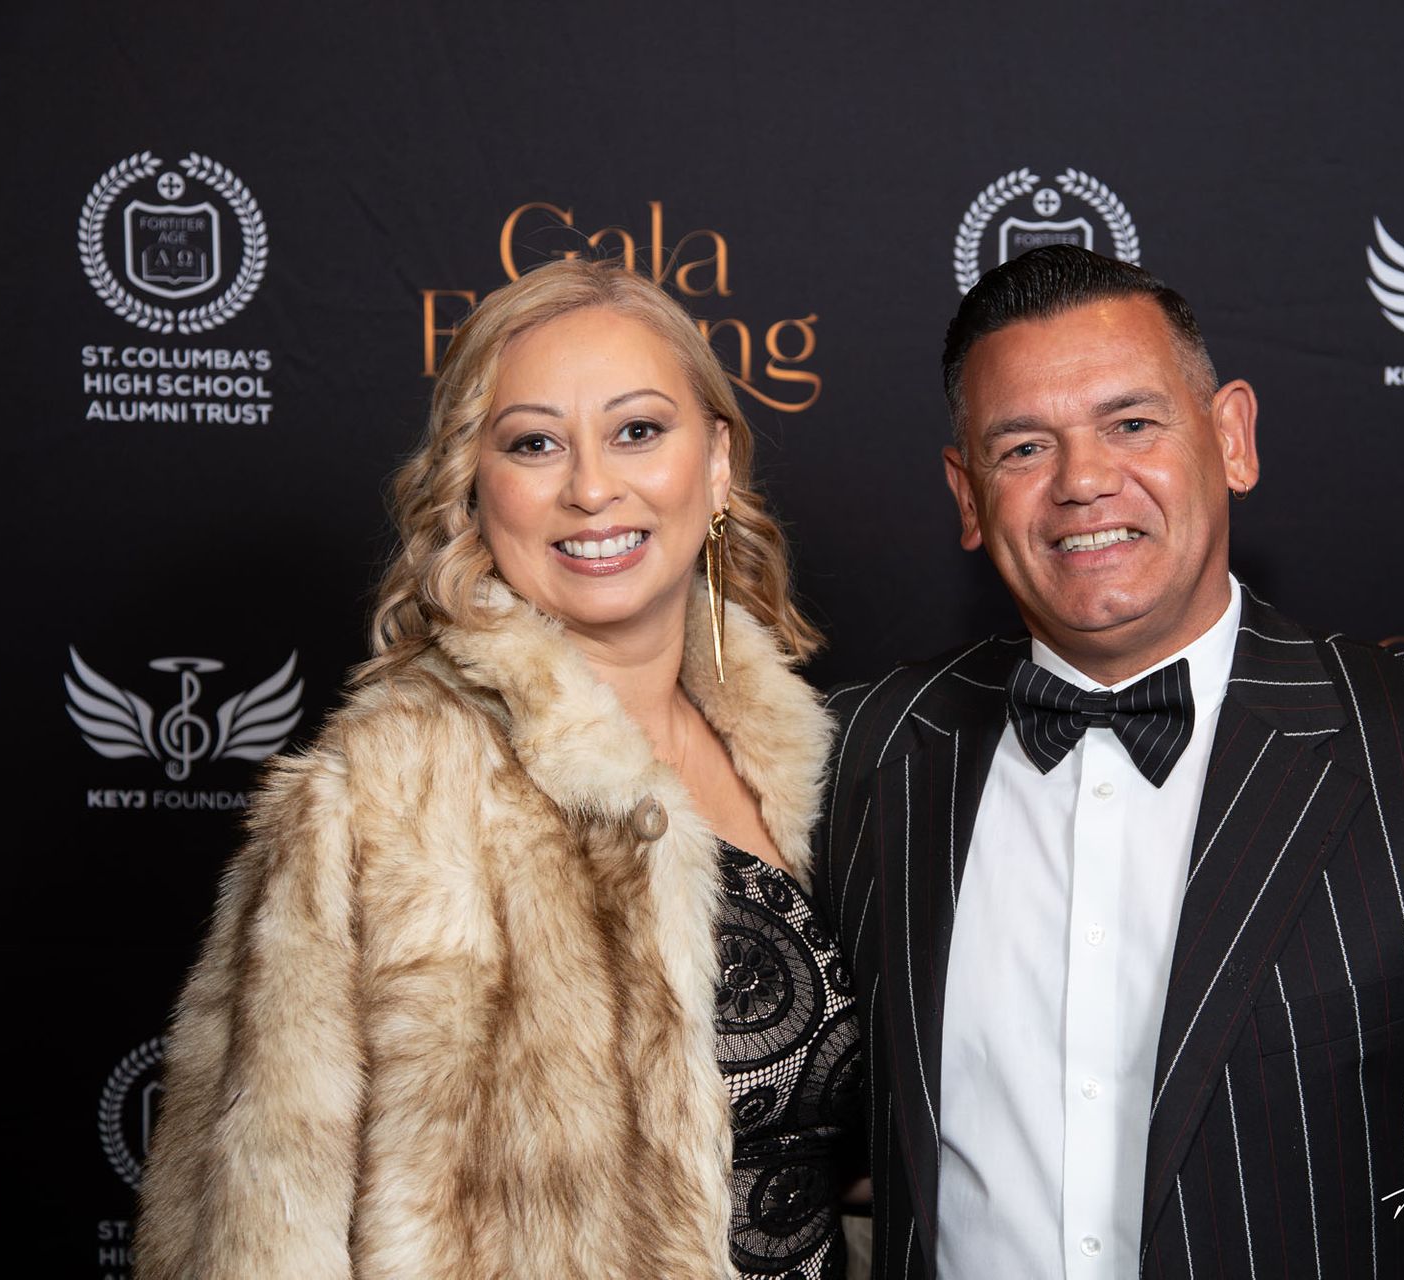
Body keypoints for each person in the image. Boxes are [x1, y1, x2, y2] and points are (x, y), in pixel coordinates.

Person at [818, 245, 1404, 1278]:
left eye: (1132, 424)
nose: (1083, 481)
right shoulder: (865, 752)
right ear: (967, 494)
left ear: (1231, 437)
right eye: (1024, 447)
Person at [134, 258, 860, 1280]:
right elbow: (259, 1230)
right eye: (534, 443)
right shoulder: (380, 794)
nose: (592, 487)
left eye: (637, 431)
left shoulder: (828, 760)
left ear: (715, 464)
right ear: (473, 487)